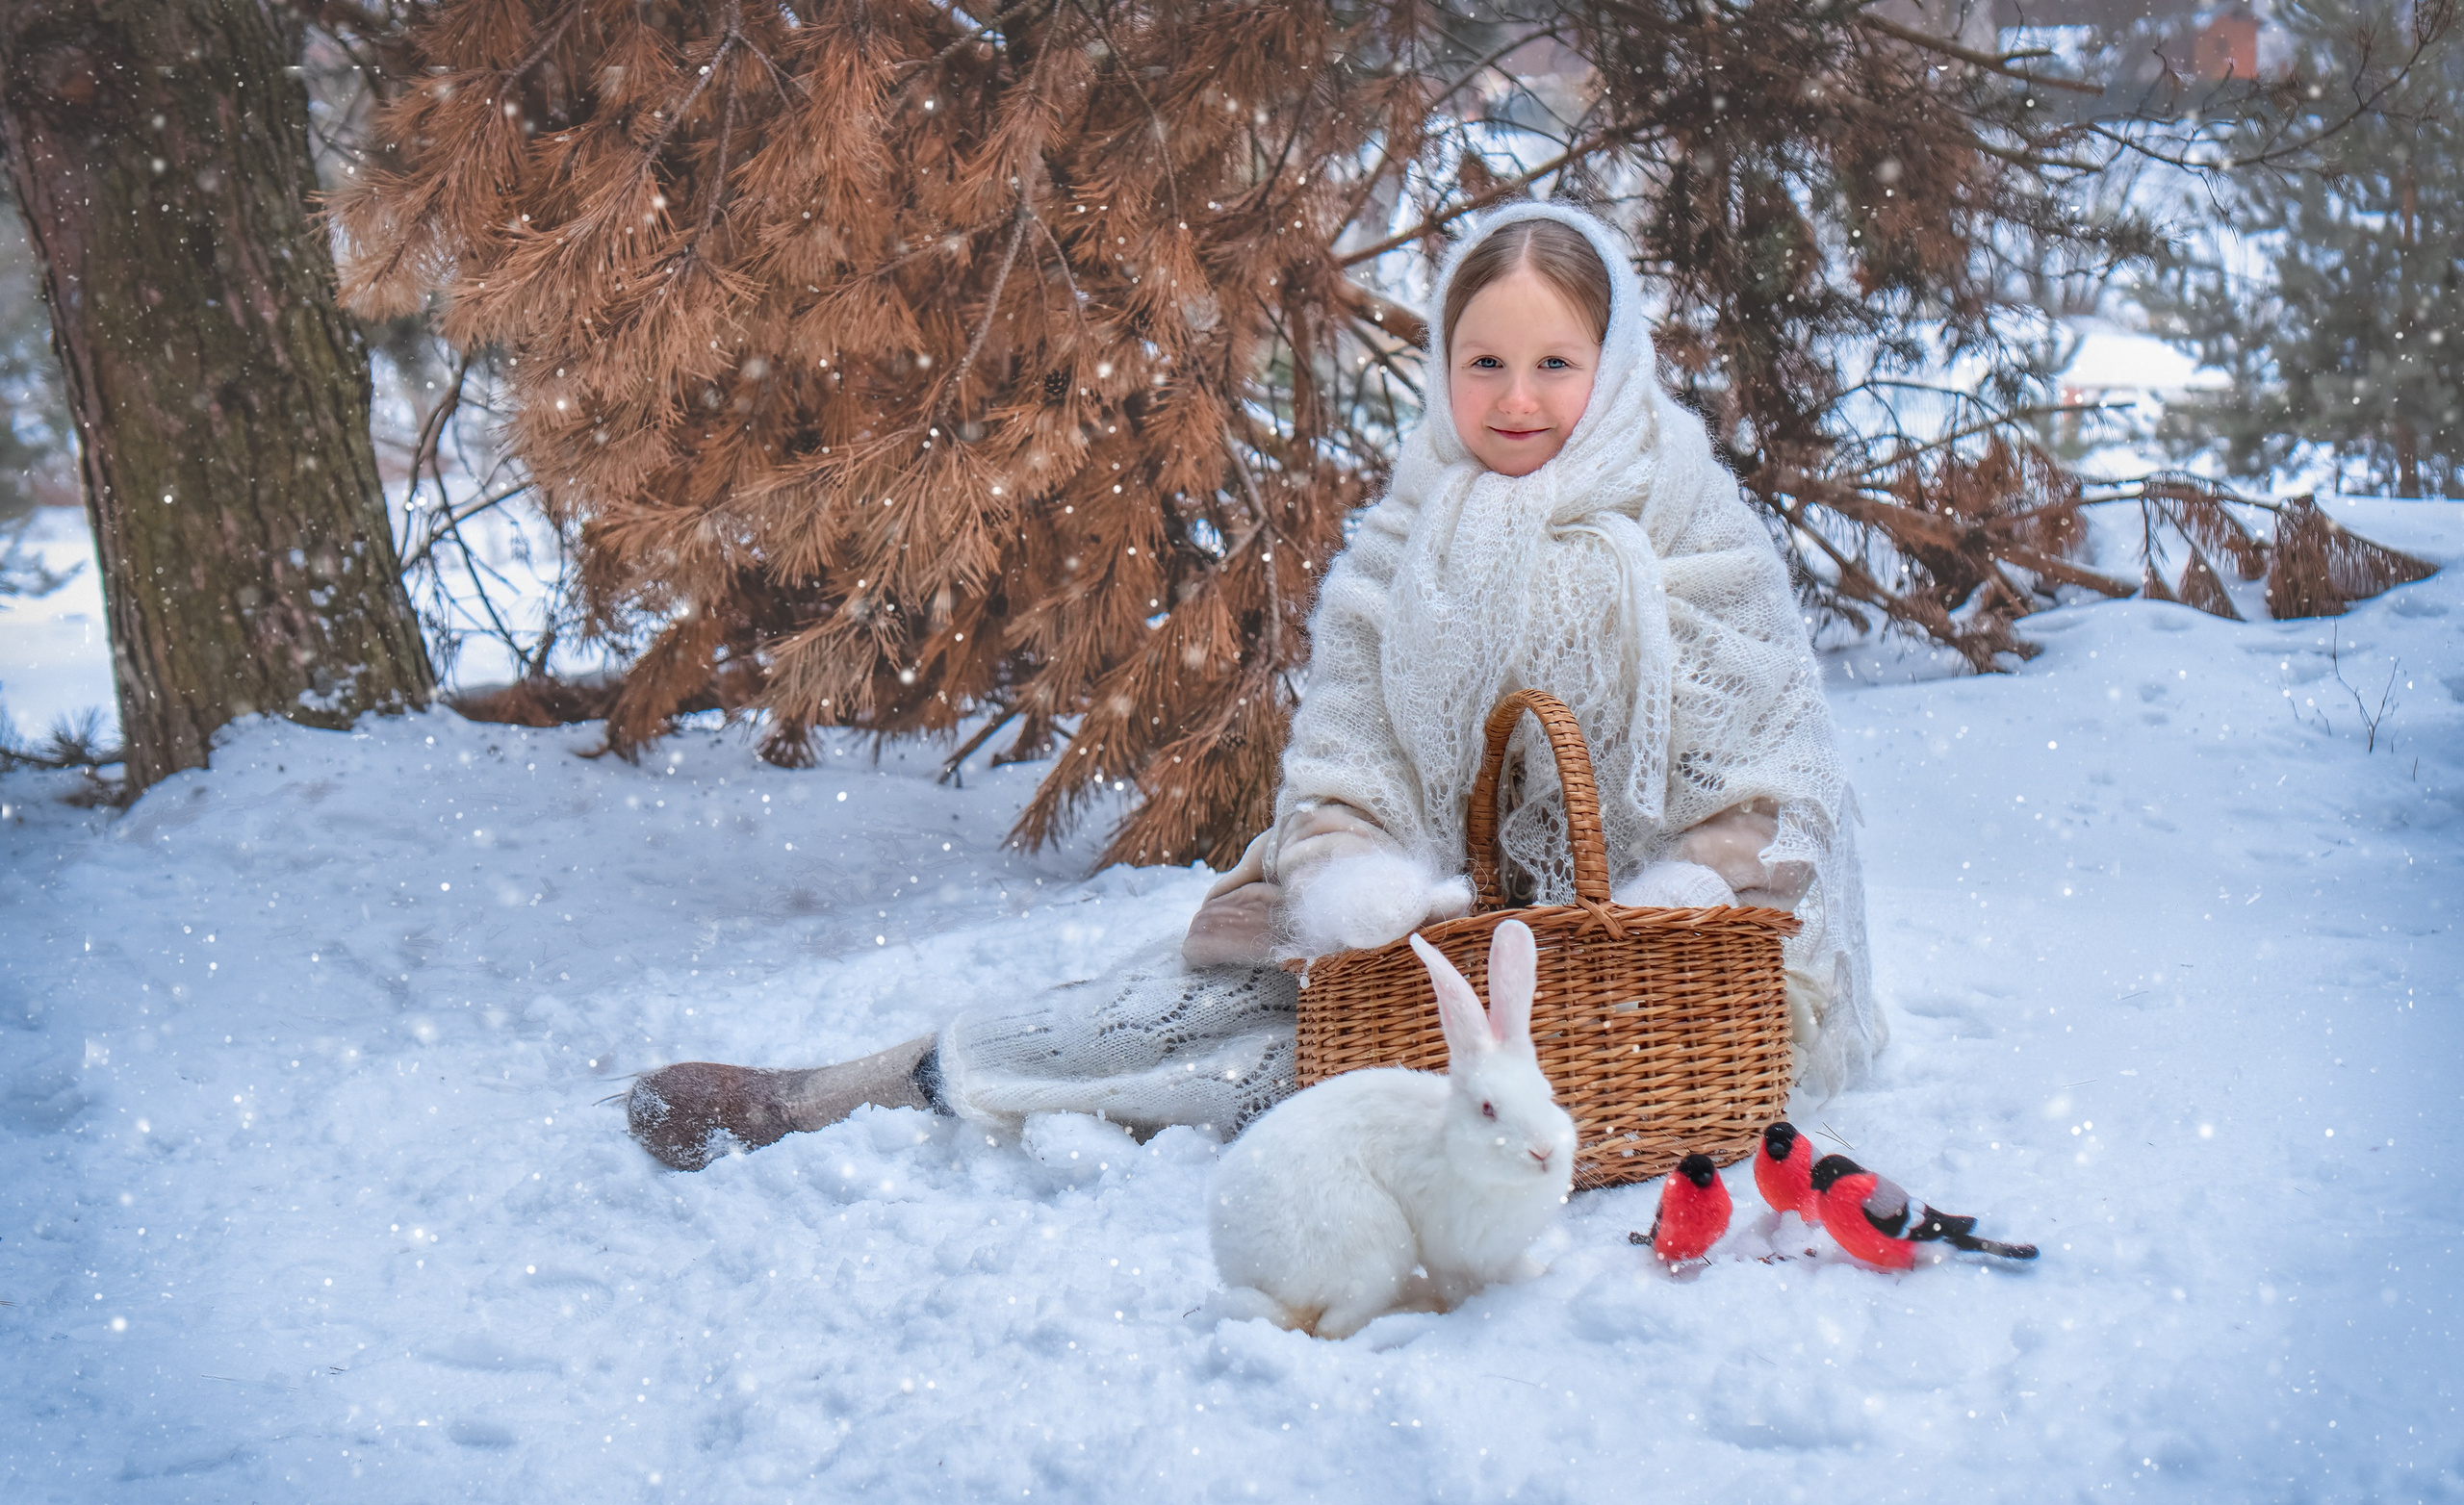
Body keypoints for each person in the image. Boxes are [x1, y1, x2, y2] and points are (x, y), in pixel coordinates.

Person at [626, 202, 1882, 1172]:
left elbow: (1774, 776)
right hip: (1440, 940)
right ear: (1445, 364)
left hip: (1661, 972)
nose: (1515, 399)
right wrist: (1361, 875)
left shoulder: (1687, 520)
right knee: (1172, 1009)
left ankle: (901, 1090)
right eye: (1483, 362)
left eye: (1555, 364)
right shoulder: (1409, 537)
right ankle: (844, 1091)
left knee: (1270, 1074)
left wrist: (1671, 894)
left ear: (1610, 366)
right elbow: (1353, 751)